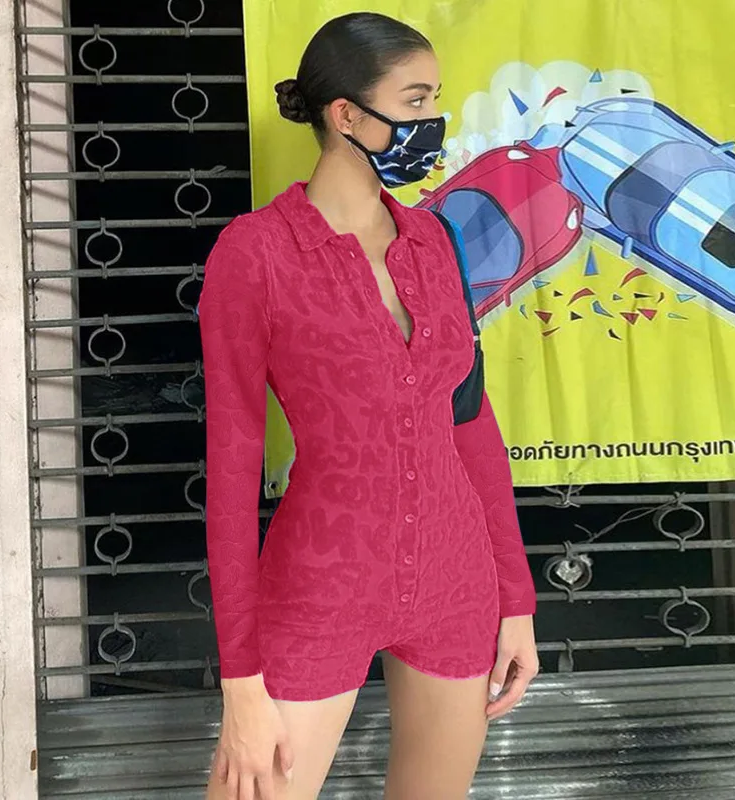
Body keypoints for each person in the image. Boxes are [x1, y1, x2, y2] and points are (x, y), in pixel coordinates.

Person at [199, 11, 538, 800]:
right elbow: (232, 467)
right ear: (346, 114)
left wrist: (515, 601)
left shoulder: (435, 242)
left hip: (456, 581)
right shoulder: (257, 253)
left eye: (435, 99)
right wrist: (240, 682)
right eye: (415, 101)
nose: (433, 121)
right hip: (322, 582)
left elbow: (471, 424)